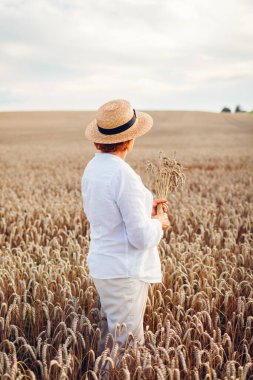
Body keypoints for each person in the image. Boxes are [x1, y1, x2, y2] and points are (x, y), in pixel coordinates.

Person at [81, 99, 169, 356]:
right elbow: (141, 237)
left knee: (111, 340)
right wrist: (159, 223)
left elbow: (109, 213)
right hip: (124, 271)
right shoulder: (123, 174)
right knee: (126, 349)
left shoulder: (93, 168)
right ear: (129, 140)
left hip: (104, 266)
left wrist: (145, 209)